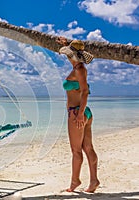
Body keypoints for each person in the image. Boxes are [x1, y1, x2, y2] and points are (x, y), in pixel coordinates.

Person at [56, 36, 100, 193]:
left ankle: (75, 181)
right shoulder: (77, 67)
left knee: (76, 150)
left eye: (69, 54)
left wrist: (80, 114)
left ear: (73, 55)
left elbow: (85, 92)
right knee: (87, 147)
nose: (68, 57)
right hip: (83, 112)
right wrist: (66, 44)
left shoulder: (80, 69)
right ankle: (94, 181)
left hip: (77, 113)